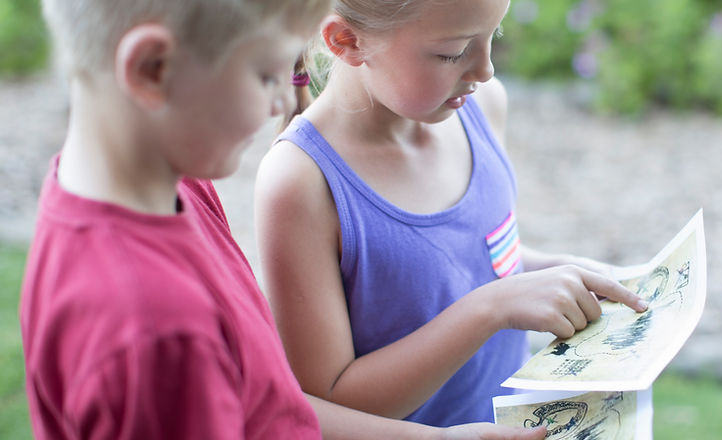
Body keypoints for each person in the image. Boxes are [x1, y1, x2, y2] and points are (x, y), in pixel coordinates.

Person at [19, 0, 547, 438]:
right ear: (152, 69)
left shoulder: (171, 188)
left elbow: (267, 402)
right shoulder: (155, 333)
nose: (284, 101)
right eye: (267, 74)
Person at [254, 0, 650, 428]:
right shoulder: (302, 182)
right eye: (453, 52)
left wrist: (558, 272)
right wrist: (491, 309)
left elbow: (467, 259)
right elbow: (329, 405)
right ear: (346, 41)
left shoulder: (482, 108)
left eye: (494, 35)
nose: (486, 70)